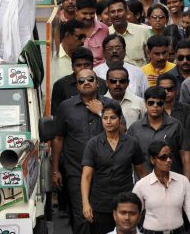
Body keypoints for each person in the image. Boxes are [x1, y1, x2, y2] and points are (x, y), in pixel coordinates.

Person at [52, 68, 116, 234]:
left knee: (103, 217)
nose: (86, 82)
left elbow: (121, 133)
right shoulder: (66, 107)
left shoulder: (110, 105)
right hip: (76, 171)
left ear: (97, 82)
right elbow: (58, 139)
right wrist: (55, 169)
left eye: (90, 79)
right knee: (81, 216)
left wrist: (101, 112)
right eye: (81, 81)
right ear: (77, 85)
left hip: (106, 172)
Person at [81, 101, 147, 234]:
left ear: (120, 119)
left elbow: (142, 174)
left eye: (112, 118)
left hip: (126, 203)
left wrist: (146, 200)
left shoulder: (131, 143)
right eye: (105, 118)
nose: (108, 122)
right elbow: (86, 176)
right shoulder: (93, 144)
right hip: (101, 203)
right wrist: (86, 204)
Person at [128, 86, 189, 176]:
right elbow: (130, 159)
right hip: (144, 183)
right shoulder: (135, 128)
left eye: (159, 103)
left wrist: (187, 181)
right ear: (145, 103)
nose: (155, 106)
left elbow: (185, 155)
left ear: (164, 104)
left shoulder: (176, 125)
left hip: (172, 181)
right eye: (151, 103)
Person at [133, 141, 190, 233]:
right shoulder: (141, 185)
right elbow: (133, 213)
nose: (168, 160)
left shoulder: (183, 181)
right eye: (163, 157)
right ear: (152, 160)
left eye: (170, 156)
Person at [108, 0, 150, 66]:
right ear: (109, 15)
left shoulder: (143, 31)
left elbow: (151, 57)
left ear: (126, 12)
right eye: (112, 12)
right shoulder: (106, 33)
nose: (116, 15)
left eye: (120, 11)